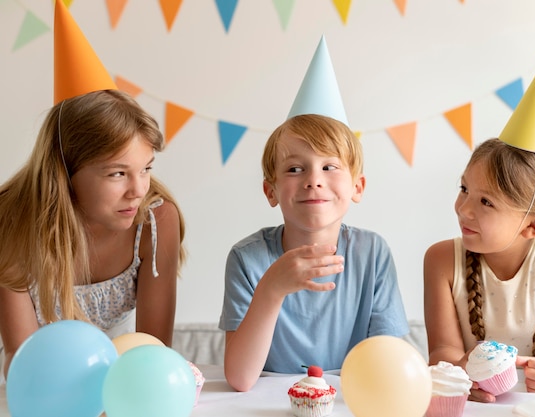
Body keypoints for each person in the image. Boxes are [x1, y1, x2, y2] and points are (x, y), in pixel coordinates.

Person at [0, 0, 185, 379]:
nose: (138, 190)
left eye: (145, 169)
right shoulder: (11, 219)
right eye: (118, 174)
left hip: (116, 374)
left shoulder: (157, 219)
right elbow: (24, 358)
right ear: (66, 170)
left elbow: (153, 352)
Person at [218, 37, 409, 392]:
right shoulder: (247, 259)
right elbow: (241, 379)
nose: (313, 181)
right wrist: (271, 290)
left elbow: (390, 363)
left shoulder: (372, 254)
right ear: (270, 191)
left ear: (358, 187)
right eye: (294, 169)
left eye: (329, 166)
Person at [423, 44, 535, 403]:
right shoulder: (440, 260)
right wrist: (465, 370)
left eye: (485, 202)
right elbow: (442, 353)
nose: (463, 208)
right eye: (464, 188)